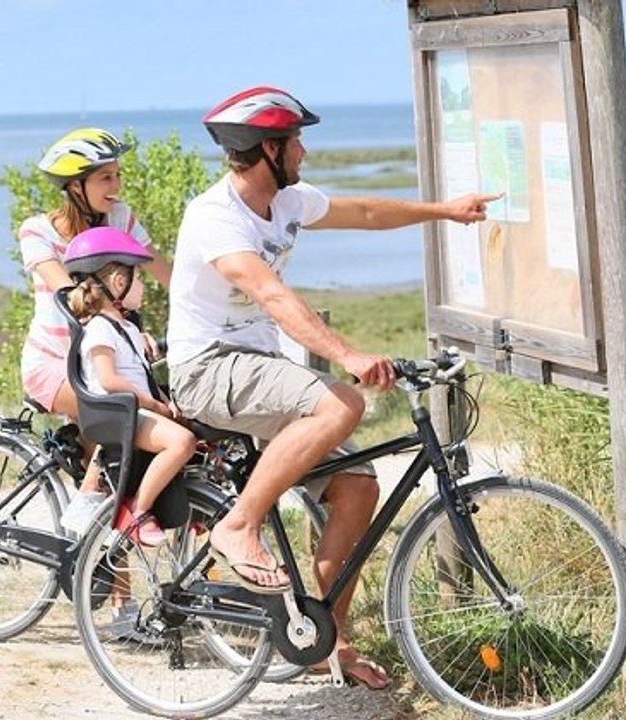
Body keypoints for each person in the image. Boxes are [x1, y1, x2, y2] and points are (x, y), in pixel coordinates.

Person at [166, 85, 500, 689]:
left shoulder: (288, 201)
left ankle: (328, 644)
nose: (305, 151)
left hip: (258, 369)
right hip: (207, 368)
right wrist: (346, 355)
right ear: (268, 149)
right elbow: (269, 293)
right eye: (296, 141)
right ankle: (238, 525)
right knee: (340, 401)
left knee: (357, 488)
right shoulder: (214, 217)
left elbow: (366, 213)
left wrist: (446, 211)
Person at [18, 128, 171, 534]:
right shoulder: (37, 232)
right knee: (122, 410)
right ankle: (87, 499)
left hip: (103, 360)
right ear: (75, 187)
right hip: (55, 364)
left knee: (123, 474)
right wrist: (126, 330)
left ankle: (109, 571)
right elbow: (73, 297)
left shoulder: (120, 218)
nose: (116, 185)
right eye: (105, 177)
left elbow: (165, 272)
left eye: (117, 175)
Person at [63, 227, 195, 547]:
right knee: (182, 442)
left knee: (193, 428)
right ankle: (137, 511)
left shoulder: (128, 329)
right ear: (119, 282)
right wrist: (154, 405)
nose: (144, 286)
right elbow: (109, 380)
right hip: (117, 414)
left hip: (133, 411)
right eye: (140, 279)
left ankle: (191, 506)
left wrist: (165, 401)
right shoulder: (99, 329)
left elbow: (141, 376)